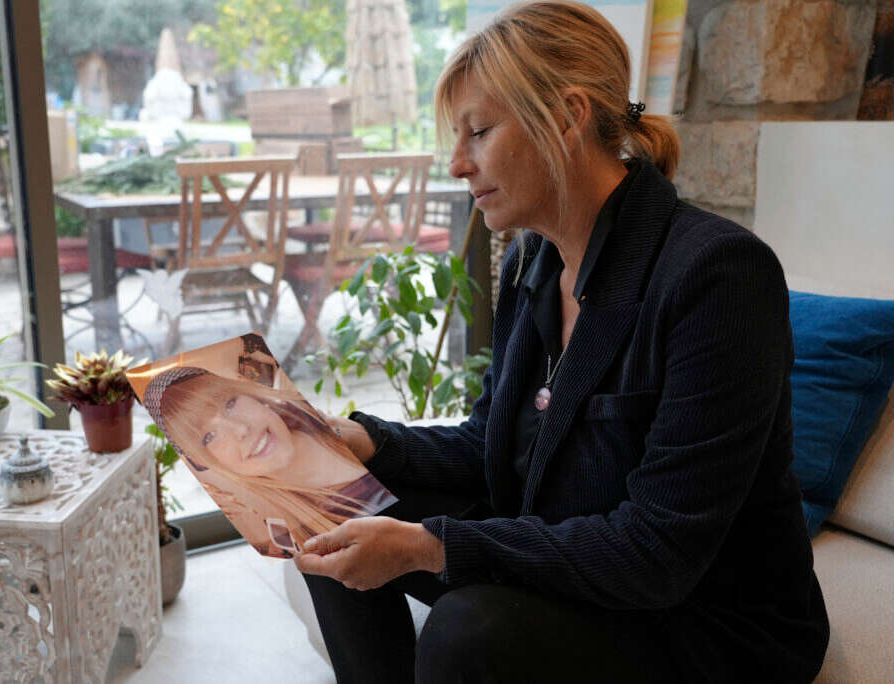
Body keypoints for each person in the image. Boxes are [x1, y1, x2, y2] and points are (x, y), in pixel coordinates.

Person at [294, 2, 829, 682]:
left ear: (567, 117)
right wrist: (363, 441)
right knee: (330, 509)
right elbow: (489, 447)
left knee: (468, 629)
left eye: (479, 132)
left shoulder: (717, 276)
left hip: (707, 619)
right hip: (571, 544)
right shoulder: (533, 263)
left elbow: (657, 552)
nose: (457, 165)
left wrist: (432, 546)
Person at [145, 366, 396, 558]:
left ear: (254, 396)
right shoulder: (287, 530)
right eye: (209, 436)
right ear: (206, 462)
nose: (240, 430)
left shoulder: (353, 437)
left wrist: (365, 437)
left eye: (230, 403)